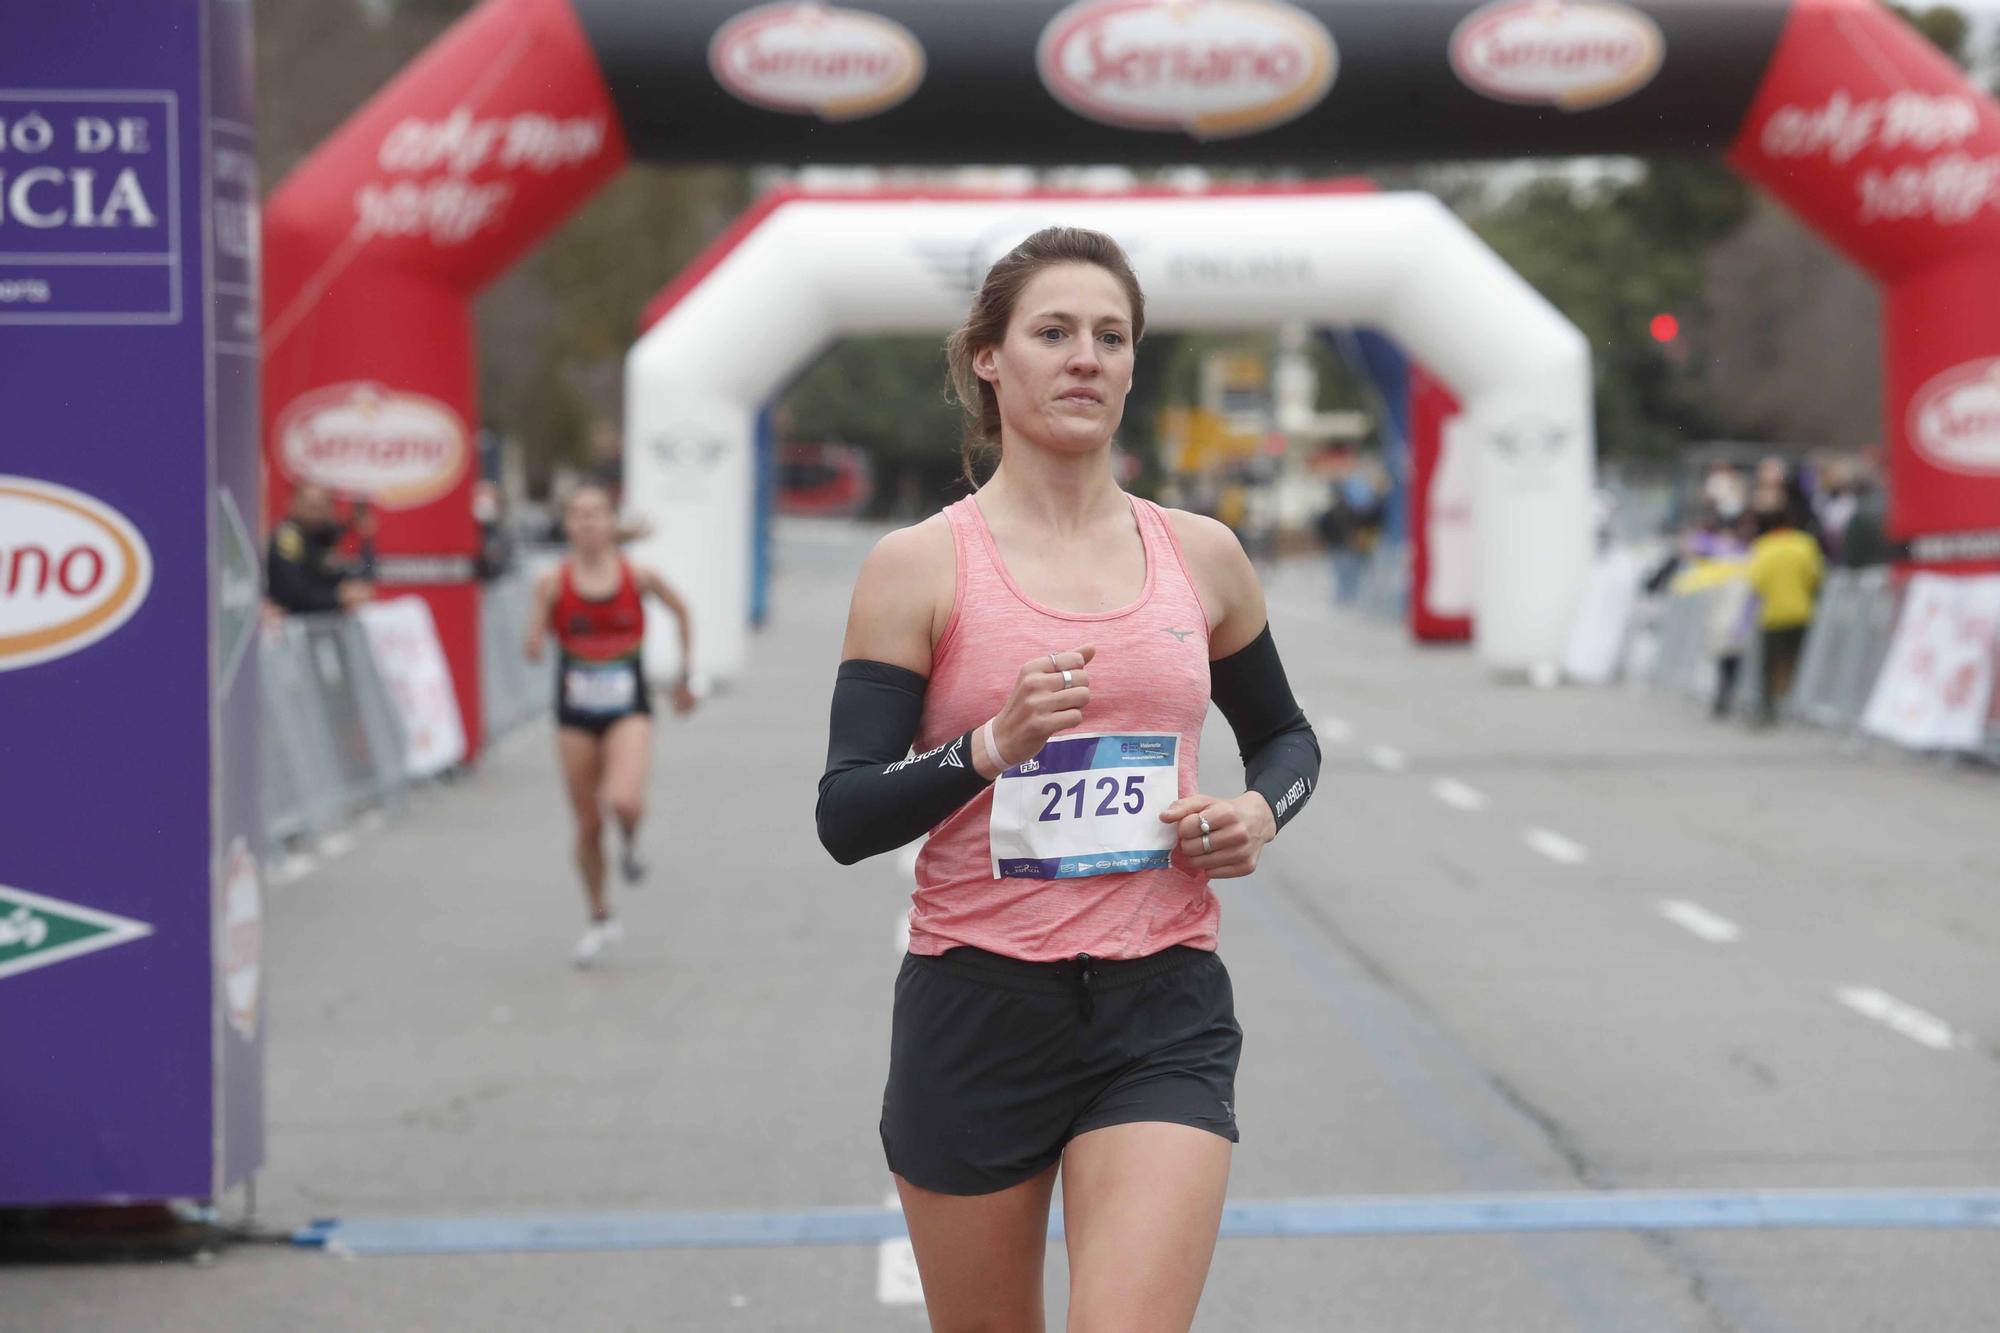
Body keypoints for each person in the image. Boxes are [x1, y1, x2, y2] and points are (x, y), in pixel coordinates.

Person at [815, 227, 1320, 1332]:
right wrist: (985, 748)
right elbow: (844, 813)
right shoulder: (920, 565)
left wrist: (1252, 812)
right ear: (989, 359)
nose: (1084, 356)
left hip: (1159, 1007)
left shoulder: (1201, 555)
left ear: (1134, 364)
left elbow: (1286, 738)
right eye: (1053, 332)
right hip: (977, 1007)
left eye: (1109, 335)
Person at [524, 485, 697, 967]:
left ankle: (632, 841)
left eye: (595, 514)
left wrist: (684, 677)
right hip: (574, 714)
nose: (586, 523)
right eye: (577, 515)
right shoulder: (553, 582)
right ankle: (600, 916)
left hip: (628, 709)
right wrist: (536, 638)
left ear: (609, 522)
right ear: (568, 526)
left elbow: (682, 611)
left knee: (623, 799)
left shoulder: (637, 576)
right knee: (586, 824)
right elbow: (532, 642)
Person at [1745, 498, 1824, 727]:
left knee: (1769, 667)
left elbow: (1756, 581)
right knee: (1800, 663)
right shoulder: (1804, 543)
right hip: (1803, 613)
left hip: (1774, 616)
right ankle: (1801, 708)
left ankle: (1768, 710)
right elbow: (1815, 576)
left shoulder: (1764, 547)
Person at [266, 483, 376, 614]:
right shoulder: (288, 538)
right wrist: (338, 597)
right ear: (293, 504)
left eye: (321, 506)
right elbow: (292, 594)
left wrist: (360, 532)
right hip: (295, 621)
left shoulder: (322, 534)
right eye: (310, 505)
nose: (315, 512)